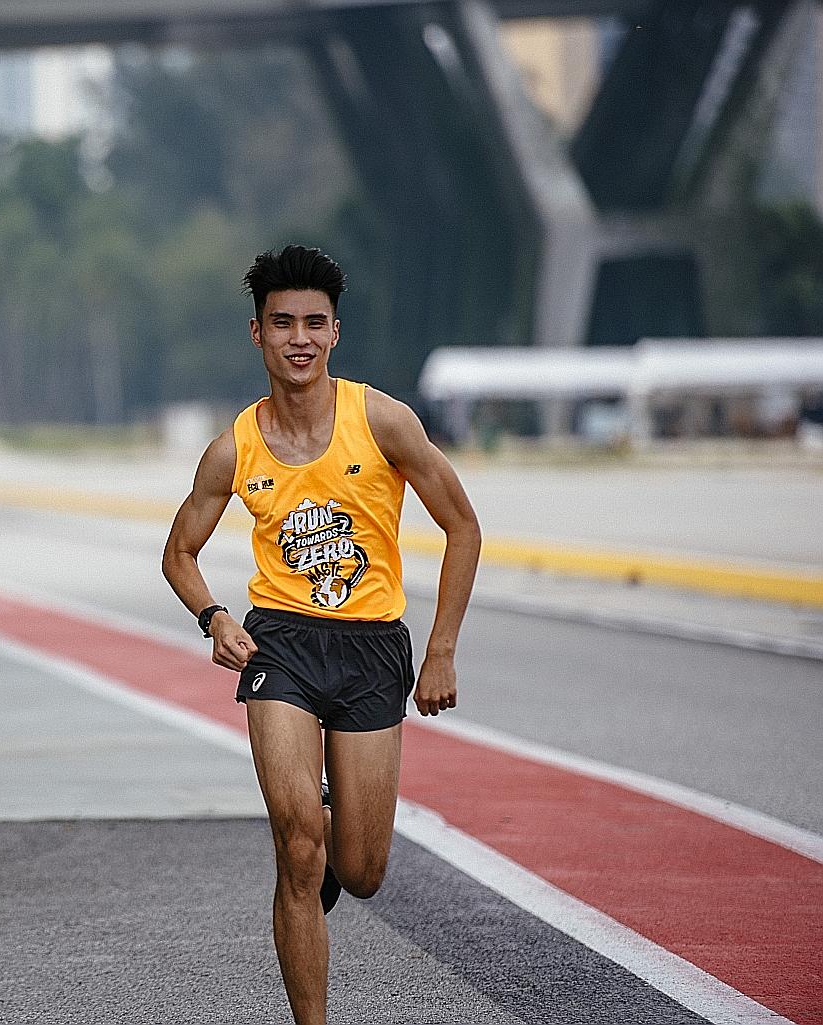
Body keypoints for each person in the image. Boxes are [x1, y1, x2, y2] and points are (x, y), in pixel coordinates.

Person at [161, 246, 481, 1025]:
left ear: (335, 332)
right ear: (256, 334)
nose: (297, 338)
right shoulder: (234, 447)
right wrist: (215, 616)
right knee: (299, 849)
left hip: (372, 645)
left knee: (362, 871)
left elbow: (463, 525)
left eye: (313, 322)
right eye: (282, 323)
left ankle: (332, 811)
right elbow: (179, 552)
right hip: (282, 648)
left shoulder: (383, 421)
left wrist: (439, 649)